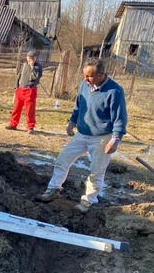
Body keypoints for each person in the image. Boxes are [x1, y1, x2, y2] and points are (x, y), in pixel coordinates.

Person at [36, 59, 127, 213]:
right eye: (84, 75)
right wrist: (72, 121)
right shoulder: (84, 85)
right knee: (63, 160)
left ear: (101, 74)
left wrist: (116, 138)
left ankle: (89, 201)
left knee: (97, 170)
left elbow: (120, 117)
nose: (86, 79)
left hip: (102, 137)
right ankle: (53, 189)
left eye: (90, 76)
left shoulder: (114, 91)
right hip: (82, 133)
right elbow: (78, 105)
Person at [7, 51, 43, 133]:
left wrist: (32, 67)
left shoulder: (38, 67)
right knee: (16, 108)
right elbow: (19, 75)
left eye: (32, 58)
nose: (30, 59)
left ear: (35, 58)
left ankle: (30, 127)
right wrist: (16, 86)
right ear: (27, 58)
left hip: (30, 90)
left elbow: (35, 77)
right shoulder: (24, 65)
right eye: (29, 58)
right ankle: (13, 124)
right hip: (20, 89)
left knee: (30, 110)